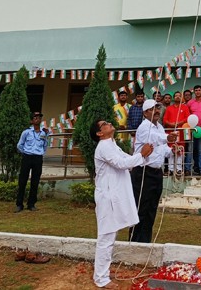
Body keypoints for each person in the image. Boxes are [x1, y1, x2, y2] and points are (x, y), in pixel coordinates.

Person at [90, 119, 153, 289]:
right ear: (99, 133)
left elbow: (129, 160)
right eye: (104, 123)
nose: (109, 123)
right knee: (106, 237)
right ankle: (101, 278)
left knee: (110, 236)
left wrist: (143, 154)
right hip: (107, 197)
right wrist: (142, 155)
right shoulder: (103, 147)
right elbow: (121, 164)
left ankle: (103, 273)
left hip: (114, 197)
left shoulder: (112, 145)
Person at [130, 100, 171, 243]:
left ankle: (145, 241)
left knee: (152, 208)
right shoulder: (143, 127)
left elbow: (162, 149)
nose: (157, 111)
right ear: (145, 112)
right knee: (141, 207)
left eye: (158, 108)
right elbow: (153, 139)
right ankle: (135, 241)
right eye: (153, 109)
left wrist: (173, 151)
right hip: (143, 172)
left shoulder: (159, 127)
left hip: (156, 172)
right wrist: (167, 138)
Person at [15, 112, 52, 213]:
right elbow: (19, 145)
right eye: (35, 117)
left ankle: (31, 204)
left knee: (35, 181)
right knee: (22, 181)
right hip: (27, 157)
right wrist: (25, 153)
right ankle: (19, 204)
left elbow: (45, 144)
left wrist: (40, 153)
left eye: (39, 117)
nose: (37, 119)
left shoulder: (44, 133)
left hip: (38, 158)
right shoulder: (26, 132)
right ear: (31, 121)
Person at [162, 91, 191, 174]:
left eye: (179, 96)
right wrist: (170, 124)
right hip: (170, 131)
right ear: (173, 98)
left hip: (181, 132)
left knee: (180, 149)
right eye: (176, 96)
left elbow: (187, 118)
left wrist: (179, 123)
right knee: (171, 149)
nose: (177, 97)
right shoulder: (169, 108)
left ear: (181, 98)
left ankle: (178, 169)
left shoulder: (185, 107)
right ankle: (171, 169)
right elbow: (164, 120)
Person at [187, 85, 201, 175]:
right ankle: (188, 169)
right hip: (191, 129)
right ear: (194, 92)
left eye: (199, 90)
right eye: (196, 90)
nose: (197, 92)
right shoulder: (190, 102)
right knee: (190, 149)